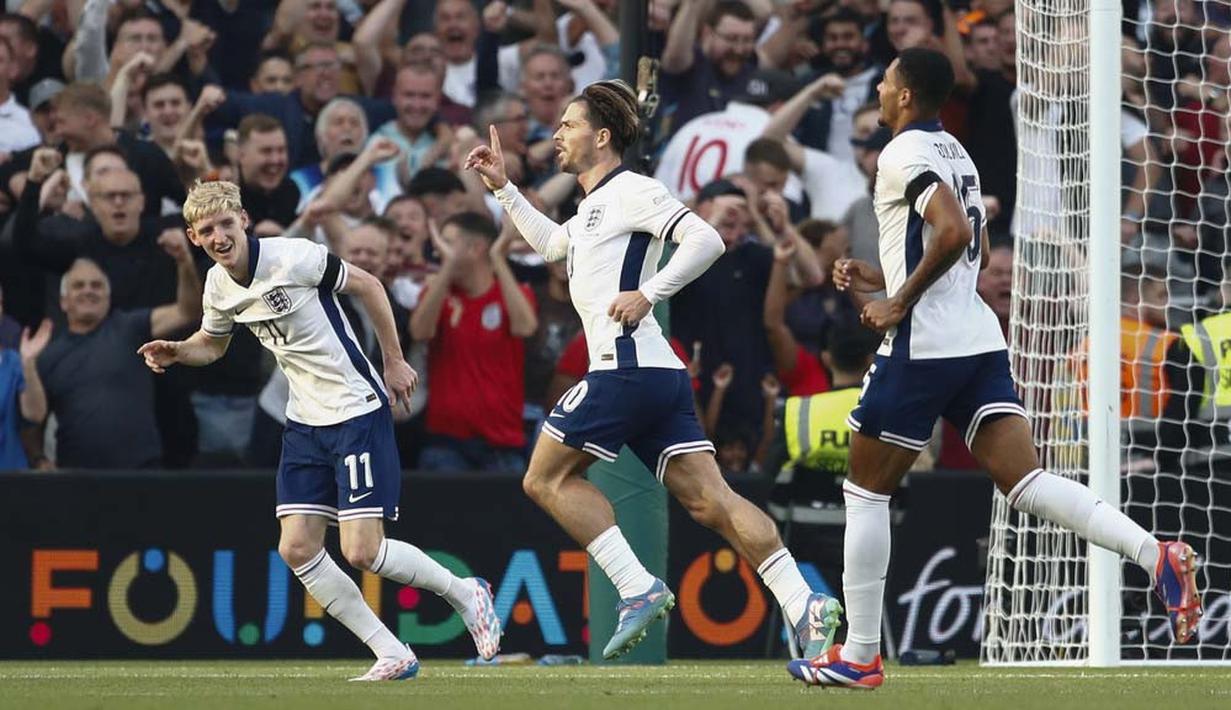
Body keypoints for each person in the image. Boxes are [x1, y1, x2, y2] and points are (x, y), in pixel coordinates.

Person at [785, 48, 1202, 689]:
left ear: (904, 96)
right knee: (1027, 482)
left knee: (864, 491)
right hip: (977, 338)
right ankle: (1156, 554)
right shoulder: (955, 151)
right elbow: (952, 247)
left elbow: (950, 233)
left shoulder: (903, 153)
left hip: (923, 346)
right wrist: (881, 277)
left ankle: (860, 654)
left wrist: (897, 299)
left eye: (887, 79)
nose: (879, 86)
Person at [464, 79, 840, 660]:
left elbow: (706, 238)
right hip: (657, 375)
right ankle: (803, 603)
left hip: (626, 369)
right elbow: (554, 248)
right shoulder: (593, 206)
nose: (557, 134)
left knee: (544, 478)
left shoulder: (634, 189)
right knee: (711, 501)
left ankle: (637, 588)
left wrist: (648, 292)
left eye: (568, 124)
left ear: (603, 135)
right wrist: (506, 190)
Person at [137, 180, 502, 681]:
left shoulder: (294, 257)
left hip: (355, 409)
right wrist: (179, 351)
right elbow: (213, 343)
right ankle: (391, 652)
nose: (220, 235)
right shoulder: (219, 287)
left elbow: (370, 286)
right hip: (305, 420)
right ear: (194, 238)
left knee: (361, 551)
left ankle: (466, 592)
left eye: (226, 223)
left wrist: (393, 363)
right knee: (297, 547)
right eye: (207, 230)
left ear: (243, 220)